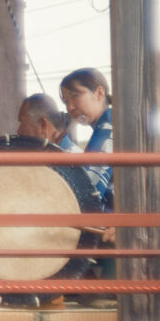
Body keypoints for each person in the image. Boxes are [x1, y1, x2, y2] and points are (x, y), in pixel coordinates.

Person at [59, 68, 113, 213]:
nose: (70, 107)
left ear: (99, 93)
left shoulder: (109, 127)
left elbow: (88, 191)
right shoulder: (106, 125)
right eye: (66, 102)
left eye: (75, 96)